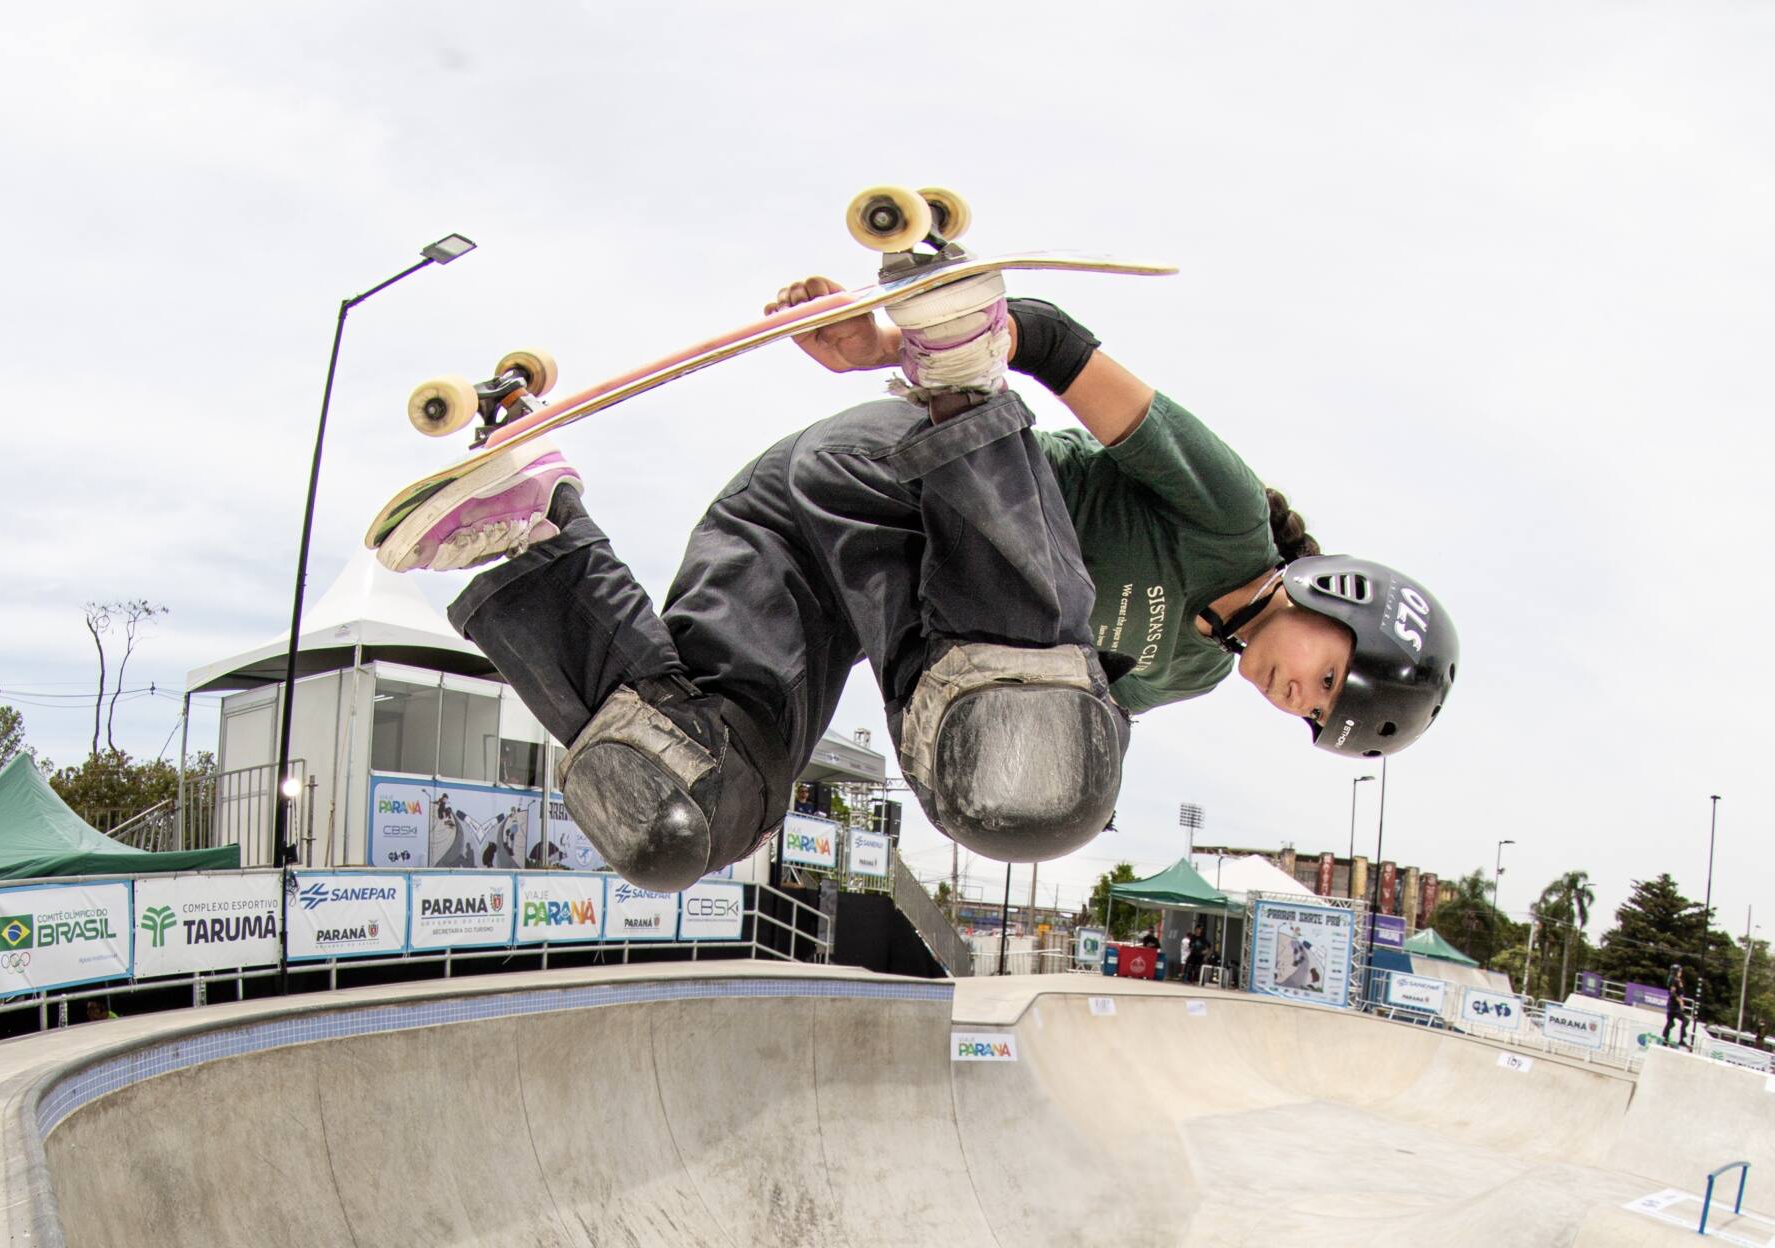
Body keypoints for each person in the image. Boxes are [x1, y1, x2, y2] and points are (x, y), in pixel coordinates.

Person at [386, 272, 1459, 892]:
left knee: (689, 811)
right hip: (905, 464)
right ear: (1336, 599)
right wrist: (903, 345)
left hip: (799, 543)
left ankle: (523, 530)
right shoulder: (1226, 518)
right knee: (1033, 745)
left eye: (1315, 716)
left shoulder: (1186, 672)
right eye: (1328, 680)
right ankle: (957, 392)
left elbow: (1041, 739)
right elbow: (1061, 347)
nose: (1297, 699)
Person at [1663, 965, 1689, 1048]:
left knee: (1670, 1022)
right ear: (1676, 972)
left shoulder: (1675, 980)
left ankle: (1665, 1039)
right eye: (1679, 971)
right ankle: (1681, 1040)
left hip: (1672, 1005)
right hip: (1674, 1006)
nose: (1681, 973)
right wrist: (1680, 1001)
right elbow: (1672, 992)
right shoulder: (1674, 980)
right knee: (1685, 1020)